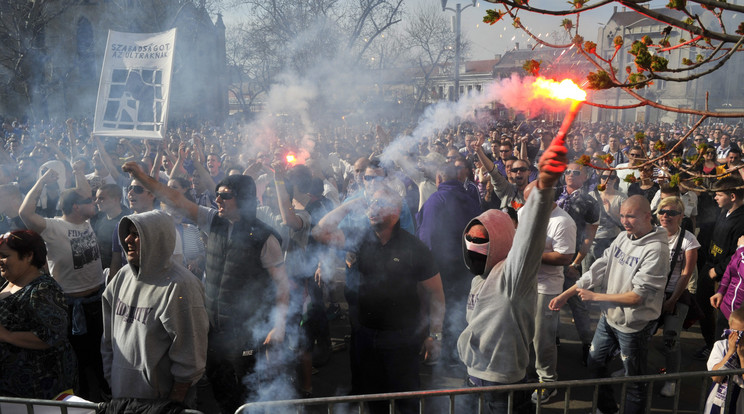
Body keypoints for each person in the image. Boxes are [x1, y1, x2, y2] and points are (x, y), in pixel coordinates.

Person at [121, 162, 289, 414]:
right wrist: (142, 178)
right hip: (212, 323)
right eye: (217, 194)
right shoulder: (214, 221)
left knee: (249, 384)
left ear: (242, 199)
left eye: (225, 196)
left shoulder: (265, 237)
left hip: (248, 326)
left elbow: (282, 284)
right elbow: (176, 199)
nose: (218, 199)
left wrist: (279, 324)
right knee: (217, 378)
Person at [457, 137, 567, 413]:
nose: (474, 248)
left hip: (502, 385)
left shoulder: (512, 277)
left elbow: (529, 241)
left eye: (482, 241)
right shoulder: (478, 277)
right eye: (470, 240)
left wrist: (544, 187)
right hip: (472, 378)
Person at [312, 185, 445, 414]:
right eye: (371, 203)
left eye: (379, 204)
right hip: (365, 334)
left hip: (402, 337)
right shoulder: (360, 239)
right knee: (371, 398)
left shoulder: (415, 248)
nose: (372, 209)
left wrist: (435, 335)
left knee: (405, 399)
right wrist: (351, 204)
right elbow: (320, 232)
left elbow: (436, 293)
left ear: (396, 212)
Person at [550, 195, 670, 414]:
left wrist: (596, 298)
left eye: (631, 216)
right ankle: (606, 409)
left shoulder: (656, 250)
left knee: (635, 382)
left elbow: (637, 297)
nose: (625, 221)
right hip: (609, 319)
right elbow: (600, 267)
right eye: (622, 215)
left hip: (634, 328)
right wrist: (566, 294)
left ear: (646, 216)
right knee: (595, 364)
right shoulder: (624, 237)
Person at [101, 210, 208, 405]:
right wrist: (112, 377)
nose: (127, 240)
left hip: (159, 403)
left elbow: (190, 357)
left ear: (157, 239)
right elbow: (108, 339)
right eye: (128, 233)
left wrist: (172, 405)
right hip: (121, 398)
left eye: (136, 234)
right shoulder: (122, 277)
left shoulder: (181, 286)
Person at [19, 170, 108, 401]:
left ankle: (106, 396)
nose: (94, 200)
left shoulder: (86, 221)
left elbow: (84, 191)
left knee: (100, 354)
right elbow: (25, 213)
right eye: (89, 201)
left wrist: (78, 170)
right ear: (76, 207)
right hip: (69, 306)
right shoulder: (53, 227)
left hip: (96, 301)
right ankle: (81, 401)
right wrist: (41, 181)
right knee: (76, 359)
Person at [416, 164, 481, 363]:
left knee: (440, 306)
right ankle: (457, 352)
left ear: (439, 179)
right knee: (459, 308)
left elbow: (427, 235)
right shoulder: (471, 199)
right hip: (465, 264)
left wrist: (424, 264)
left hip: (441, 266)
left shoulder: (437, 199)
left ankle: (440, 353)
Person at [0, 230, 77, 399]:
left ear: (28, 255)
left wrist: (6, 335)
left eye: (4, 256)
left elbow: (51, 336)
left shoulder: (43, 289)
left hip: (39, 389)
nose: (0, 261)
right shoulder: (8, 281)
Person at [520, 181, 576, 404]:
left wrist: (530, 254)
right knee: (523, 334)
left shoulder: (563, 222)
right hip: (524, 284)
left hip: (546, 288)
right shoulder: (525, 210)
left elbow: (565, 257)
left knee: (542, 338)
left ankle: (548, 382)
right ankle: (526, 375)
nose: (527, 205)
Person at [655, 196, 700, 397]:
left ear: (681, 216)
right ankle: (632, 371)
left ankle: (672, 378)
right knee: (637, 334)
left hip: (676, 292)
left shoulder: (688, 239)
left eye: (672, 212)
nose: (666, 216)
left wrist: (672, 300)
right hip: (651, 292)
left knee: (670, 338)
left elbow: (686, 273)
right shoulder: (651, 234)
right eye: (662, 211)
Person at [698, 176, 744, 360]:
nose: (715, 198)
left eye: (719, 194)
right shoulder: (723, 211)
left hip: (725, 276)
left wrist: (717, 271)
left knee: (722, 317)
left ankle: (721, 353)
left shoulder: (742, 221)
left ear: (732, 196)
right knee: (703, 306)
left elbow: (737, 254)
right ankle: (710, 344)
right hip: (710, 265)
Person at [704, 306, 744, 413]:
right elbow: (716, 377)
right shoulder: (720, 346)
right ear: (730, 328)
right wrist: (730, 353)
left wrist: (742, 357)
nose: (739, 339)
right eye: (736, 333)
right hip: (716, 404)